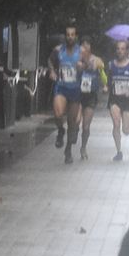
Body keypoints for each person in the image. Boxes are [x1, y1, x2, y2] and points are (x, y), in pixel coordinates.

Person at [51, 24, 83, 152]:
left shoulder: (82, 51)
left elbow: (89, 65)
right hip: (61, 87)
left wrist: (83, 67)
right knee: (58, 114)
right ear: (65, 36)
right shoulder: (58, 50)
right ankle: (60, 130)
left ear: (76, 36)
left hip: (75, 89)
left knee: (72, 122)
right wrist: (52, 71)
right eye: (68, 35)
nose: (70, 37)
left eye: (72, 35)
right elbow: (50, 61)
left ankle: (68, 149)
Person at [74, 42, 105, 163]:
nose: (85, 53)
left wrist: (104, 85)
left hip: (91, 96)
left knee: (86, 126)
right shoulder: (77, 61)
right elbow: (78, 67)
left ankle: (83, 147)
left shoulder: (97, 60)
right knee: (76, 121)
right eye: (83, 50)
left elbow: (102, 72)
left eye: (87, 50)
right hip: (78, 95)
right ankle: (74, 132)